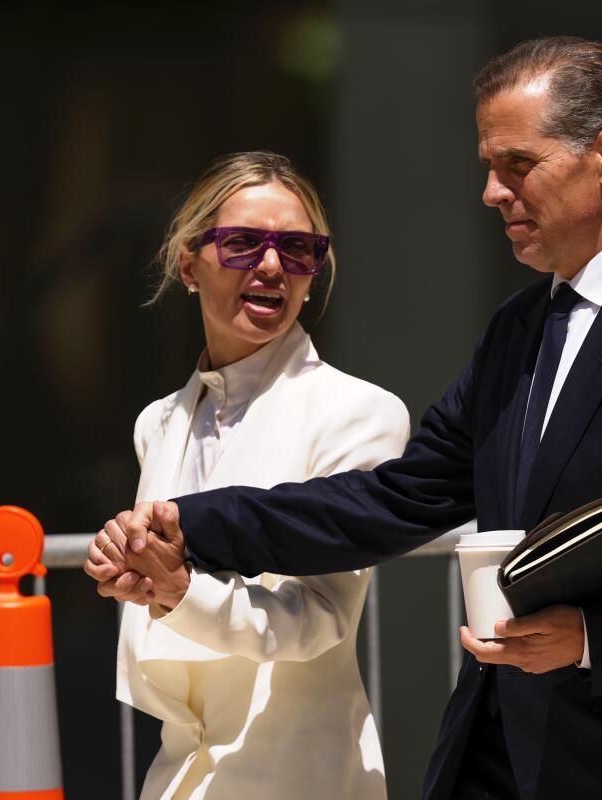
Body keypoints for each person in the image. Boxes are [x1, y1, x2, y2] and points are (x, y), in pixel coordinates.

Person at [92, 38, 602, 799]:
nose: (491, 191)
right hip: (506, 755)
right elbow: (391, 500)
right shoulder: (518, 330)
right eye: (489, 165)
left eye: (518, 164)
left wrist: (592, 638)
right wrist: (190, 526)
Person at [84, 151, 407, 799]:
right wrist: (122, 560)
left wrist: (178, 592)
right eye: (240, 244)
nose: (269, 266)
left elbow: (320, 616)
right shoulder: (161, 422)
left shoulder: (360, 413)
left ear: (314, 273)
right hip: (178, 777)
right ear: (189, 263)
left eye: (296, 249)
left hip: (302, 774)